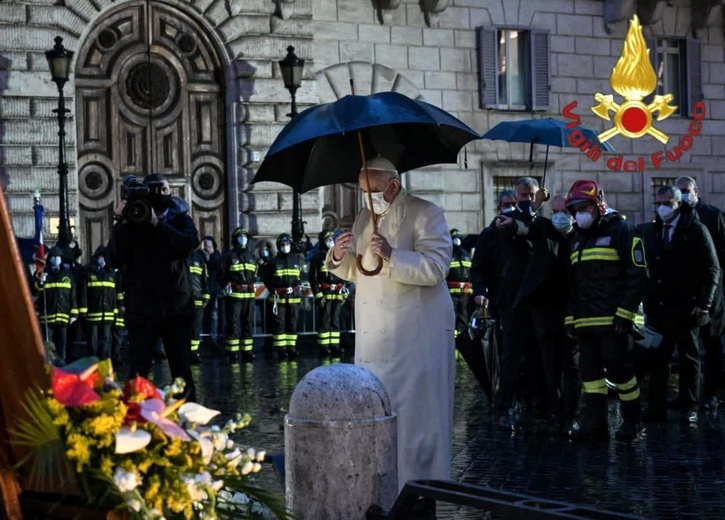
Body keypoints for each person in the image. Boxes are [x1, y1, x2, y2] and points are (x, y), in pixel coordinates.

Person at [326, 156, 455, 506]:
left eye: (373, 190)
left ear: (393, 185)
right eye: (363, 190)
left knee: (415, 417)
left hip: (415, 335)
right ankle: (378, 484)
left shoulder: (427, 213)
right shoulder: (366, 216)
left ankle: (417, 490)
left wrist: (394, 254)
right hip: (374, 335)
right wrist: (339, 257)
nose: (368, 197)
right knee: (375, 408)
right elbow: (361, 270)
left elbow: (436, 267)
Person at [565, 180, 647, 442]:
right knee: (589, 375)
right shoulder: (577, 239)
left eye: (584, 206)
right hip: (586, 321)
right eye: (575, 208)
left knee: (621, 372)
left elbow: (638, 276)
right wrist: (570, 318)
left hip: (615, 321)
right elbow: (573, 284)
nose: (579, 213)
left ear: (599, 204)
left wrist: (626, 314)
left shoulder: (623, 231)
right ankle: (594, 424)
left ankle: (632, 421)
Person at [106, 173, 199, 401]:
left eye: (164, 189)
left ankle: (188, 422)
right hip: (142, 307)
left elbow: (188, 244)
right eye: (154, 189)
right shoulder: (132, 220)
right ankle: (134, 421)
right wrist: (120, 224)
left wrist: (158, 225)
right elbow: (113, 259)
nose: (159, 194)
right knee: (138, 371)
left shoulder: (180, 218)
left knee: (181, 370)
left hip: (176, 306)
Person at [638, 186, 720, 423]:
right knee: (659, 358)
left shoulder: (696, 230)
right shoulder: (653, 230)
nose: (663, 208)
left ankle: (688, 404)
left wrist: (704, 302)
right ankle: (656, 408)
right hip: (660, 306)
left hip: (687, 305)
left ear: (679, 204)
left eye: (668, 203)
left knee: (689, 356)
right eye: (659, 203)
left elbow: (711, 268)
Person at [675, 176, 725, 411]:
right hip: (686, 292)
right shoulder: (677, 217)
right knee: (689, 346)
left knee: (712, 343)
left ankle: (712, 393)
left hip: (712, 291)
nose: (683, 194)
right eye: (679, 191)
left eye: (686, 190)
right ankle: (689, 395)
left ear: (696, 191)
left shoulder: (712, 215)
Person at [33, 246, 78, 365]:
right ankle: (48, 370)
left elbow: (73, 295)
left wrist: (73, 313)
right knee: (48, 347)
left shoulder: (67, 274)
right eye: (54, 257)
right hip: (47, 318)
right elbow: (34, 292)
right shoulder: (42, 273)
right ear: (50, 259)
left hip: (63, 317)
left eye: (58, 257)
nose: (56, 259)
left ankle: (61, 370)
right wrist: (39, 282)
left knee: (62, 347)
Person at [220, 227, 258, 363]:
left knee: (248, 324)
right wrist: (228, 286)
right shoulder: (229, 256)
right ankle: (233, 352)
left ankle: (247, 350)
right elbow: (222, 275)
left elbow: (255, 275)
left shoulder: (252, 256)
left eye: (245, 236)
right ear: (235, 239)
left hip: (248, 296)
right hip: (234, 296)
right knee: (234, 324)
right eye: (240, 236)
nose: (243, 239)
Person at [263, 233, 303, 359]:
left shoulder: (297, 260)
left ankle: (291, 347)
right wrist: (274, 290)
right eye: (283, 245)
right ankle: (281, 349)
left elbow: (300, 278)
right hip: (279, 298)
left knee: (292, 323)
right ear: (279, 246)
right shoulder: (273, 262)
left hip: (294, 297)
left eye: (287, 244)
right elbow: (266, 278)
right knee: (279, 323)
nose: (285, 247)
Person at [309, 230, 346, 357]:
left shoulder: (338, 255)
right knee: (325, 320)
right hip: (324, 294)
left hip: (336, 293)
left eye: (332, 239)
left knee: (335, 320)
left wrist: (343, 293)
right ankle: (324, 346)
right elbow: (313, 279)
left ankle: (335, 345)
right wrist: (318, 295)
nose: (331, 241)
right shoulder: (317, 258)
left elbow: (344, 275)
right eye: (328, 239)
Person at [78, 246, 118, 359]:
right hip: (93, 313)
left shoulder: (110, 274)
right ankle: (92, 362)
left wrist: (115, 311)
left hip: (108, 314)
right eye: (101, 257)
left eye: (104, 257)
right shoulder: (89, 273)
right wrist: (84, 310)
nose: (103, 259)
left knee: (105, 341)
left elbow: (113, 295)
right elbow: (84, 293)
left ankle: (103, 362)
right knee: (93, 341)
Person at [447, 229, 472, 340]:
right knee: (452, 318)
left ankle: (462, 341)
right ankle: (454, 341)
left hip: (465, 294)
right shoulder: (448, 255)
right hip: (451, 294)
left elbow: (471, 273)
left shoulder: (465, 254)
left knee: (463, 318)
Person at [201, 236, 224, 349]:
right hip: (202, 290)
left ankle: (213, 338)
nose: (207, 247)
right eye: (205, 245)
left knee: (214, 315)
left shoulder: (217, 255)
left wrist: (212, 253)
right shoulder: (199, 255)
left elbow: (220, 266)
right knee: (201, 315)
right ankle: (200, 338)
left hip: (214, 289)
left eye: (209, 245)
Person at [188, 246, 209, 364]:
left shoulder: (199, 259)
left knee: (196, 328)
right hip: (182, 300)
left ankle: (194, 352)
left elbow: (204, 279)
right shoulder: (178, 257)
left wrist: (206, 296)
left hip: (197, 300)